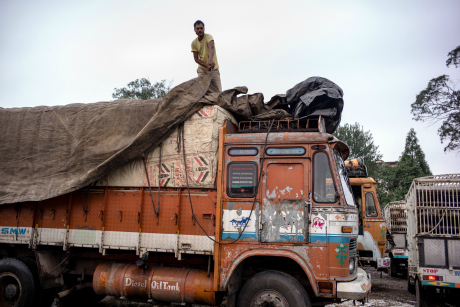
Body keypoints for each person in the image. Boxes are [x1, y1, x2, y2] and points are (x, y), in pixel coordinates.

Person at [191, 20, 222, 92]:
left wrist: (210, 60)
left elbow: (211, 47)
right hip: (202, 70)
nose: (200, 30)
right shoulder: (194, 43)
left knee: (218, 91)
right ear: (195, 30)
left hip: (213, 69)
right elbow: (196, 59)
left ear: (204, 29)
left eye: (201, 28)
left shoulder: (208, 37)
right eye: (198, 28)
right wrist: (206, 65)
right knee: (202, 90)